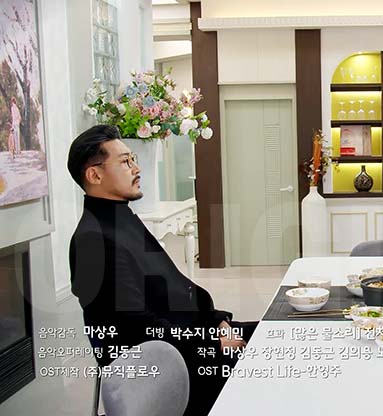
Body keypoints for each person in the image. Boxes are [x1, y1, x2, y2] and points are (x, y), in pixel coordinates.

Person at [67, 125, 258, 415]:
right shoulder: (93, 241)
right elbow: (137, 331)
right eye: (125, 162)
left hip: (192, 337)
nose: (136, 168)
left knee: (283, 332)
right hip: (170, 367)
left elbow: (175, 287)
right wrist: (213, 341)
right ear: (94, 175)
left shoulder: (122, 217)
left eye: (133, 159)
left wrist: (217, 320)